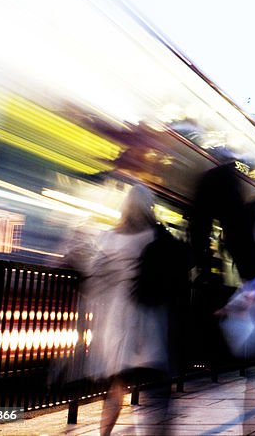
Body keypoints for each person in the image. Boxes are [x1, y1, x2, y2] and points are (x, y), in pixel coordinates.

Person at [85, 184, 182, 436]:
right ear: (148, 206)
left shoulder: (109, 237)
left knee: (117, 381)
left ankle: (104, 433)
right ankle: (158, 428)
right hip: (148, 311)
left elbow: (95, 272)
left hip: (117, 314)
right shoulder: (153, 236)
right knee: (156, 374)